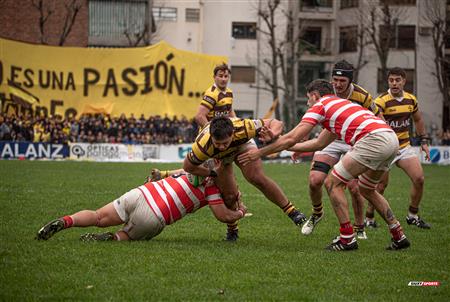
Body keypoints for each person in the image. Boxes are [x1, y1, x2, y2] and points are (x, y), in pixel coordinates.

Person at [238, 79, 410, 251]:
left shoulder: (320, 106)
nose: (307, 103)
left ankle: (347, 238)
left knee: (332, 183)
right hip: (390, 138)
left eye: (308, 99)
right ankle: (398, 235)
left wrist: (259, 152)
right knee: (367, 189)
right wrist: (289, 146)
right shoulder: (341, 105)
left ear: (315, 95)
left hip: (373, 140)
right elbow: (318, 144)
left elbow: (292, 137)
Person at [183, 116, 307, 241]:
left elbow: (276, 122)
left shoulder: (243, 127)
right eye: (217, 143)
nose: (221, 147)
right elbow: (188, 167)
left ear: (232, 133)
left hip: (241, 145)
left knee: (256, 177)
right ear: (211, 137)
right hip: (219, 159)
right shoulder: (202, 146)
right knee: (230, 196)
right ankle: (232, 229)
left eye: (225, 143)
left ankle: (292, 211)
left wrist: (273, 133)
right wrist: (211, 173)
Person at [293, 60, 380, 239]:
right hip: (330, 137)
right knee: (315, 180)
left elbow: (378, 116)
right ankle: (317, 214)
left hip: (354, 141)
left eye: (342, 81)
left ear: (350, 81)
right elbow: (311, 118)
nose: (338, 85)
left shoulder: (362, 96)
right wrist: (300, 142)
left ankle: (359, 227)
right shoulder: (326, 92)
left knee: (354, 188)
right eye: (335, 80)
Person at [36, 172, 247, 241]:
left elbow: (178, 169)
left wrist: (162, 173)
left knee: (98, 216)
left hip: (142, 193)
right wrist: (240, 212)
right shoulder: (212, 189)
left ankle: (65, 221)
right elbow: (223, 215)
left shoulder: (192, 168)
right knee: (123, 237)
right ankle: (108, 239)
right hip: (154, 215)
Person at [365, 67, 431, 229]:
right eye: (391, 80)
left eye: (398, 80)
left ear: (404, 81)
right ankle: (369, 218)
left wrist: (423, 140)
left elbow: (418, 120)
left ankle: (412, 215)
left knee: (419, 179)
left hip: (404, 147)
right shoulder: (381, 101)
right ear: (388, 82)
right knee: (380, 186)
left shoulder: (411, 100)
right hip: (385, 148)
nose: (394, 83)